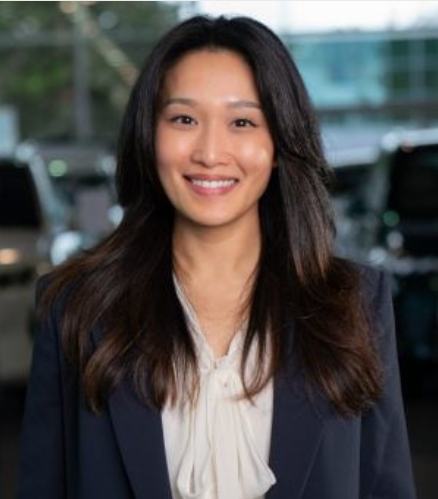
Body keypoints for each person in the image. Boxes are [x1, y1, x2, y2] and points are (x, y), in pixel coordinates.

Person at [18, 15, 416, 499]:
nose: (210, 152)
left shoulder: (354, 303)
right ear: (149, 134)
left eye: (242, 122)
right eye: (184, 119)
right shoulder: (77, 309)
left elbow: (385, 487)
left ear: (278, 142)